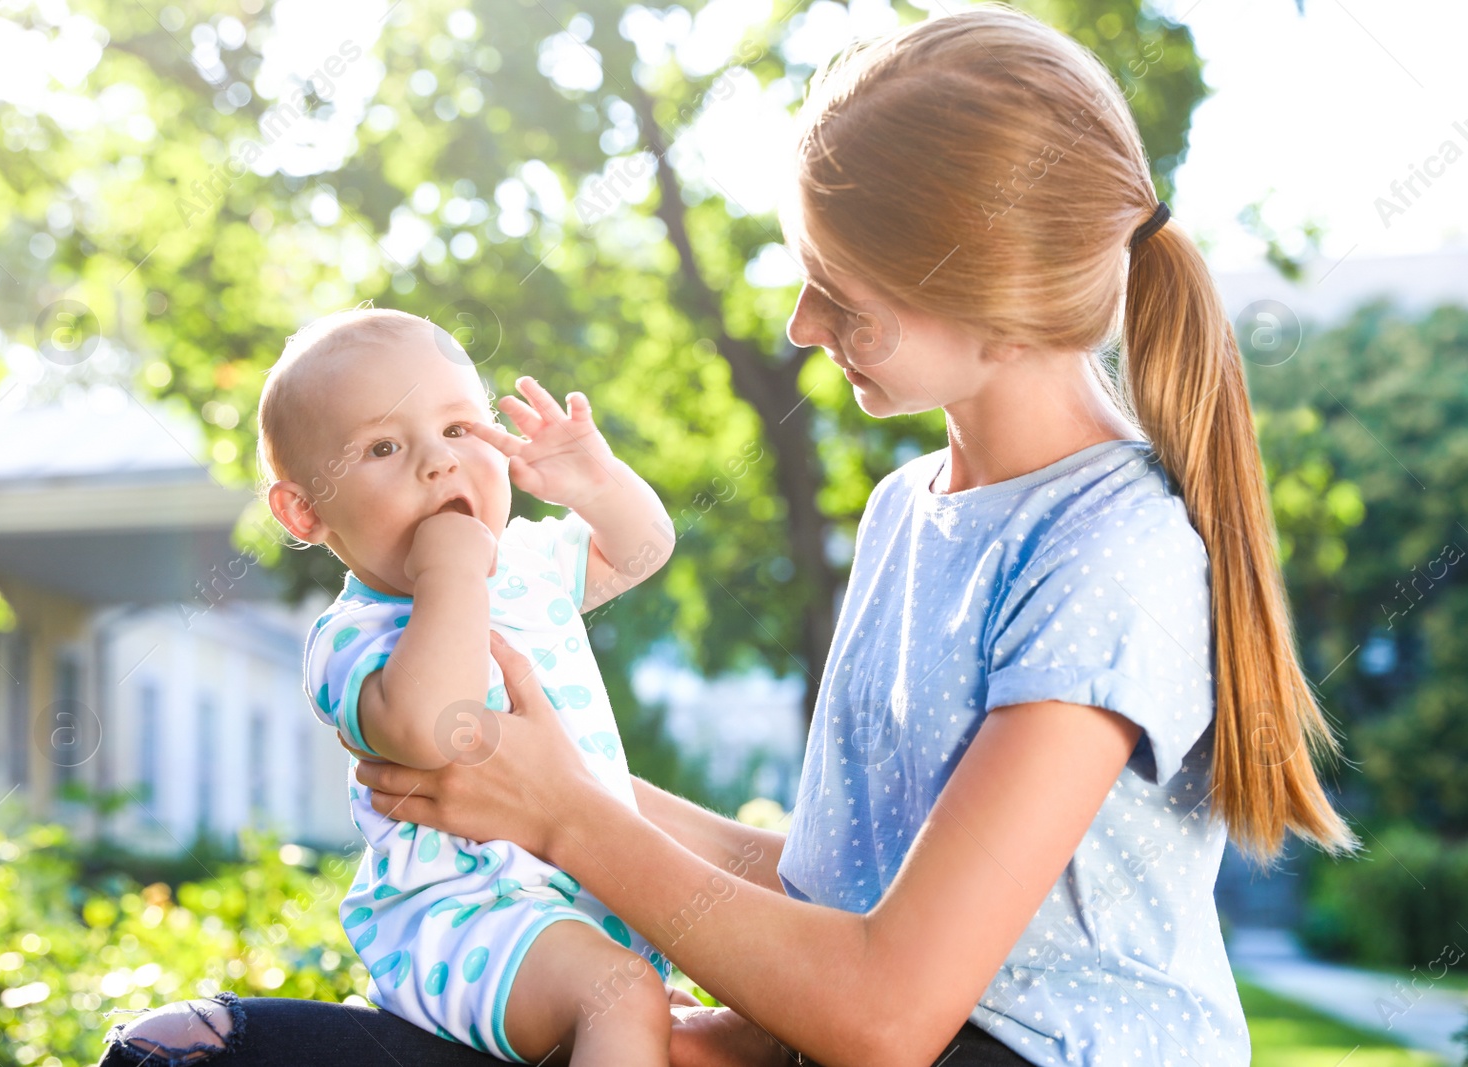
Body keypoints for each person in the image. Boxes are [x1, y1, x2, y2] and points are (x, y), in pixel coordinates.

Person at [99, 6, 1357, 1066]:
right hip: (855, 1038)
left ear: (992, 303)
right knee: (183, 1049)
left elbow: (887, 1006)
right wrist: (551, 783)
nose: (804, 324)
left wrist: (570, 822)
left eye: (841, 293)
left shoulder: (1112, 551)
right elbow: (835, 890)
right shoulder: (906, 511)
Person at [119, 306, 686, 1065]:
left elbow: (642, 548)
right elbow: (432, 727)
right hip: (466, 919)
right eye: (383, 446)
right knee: (621, 996)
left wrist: (596, 479)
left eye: (458, 429)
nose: (438, 462)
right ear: (306, 509)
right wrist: (450, 569)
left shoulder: (527, 564)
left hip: (582, 906)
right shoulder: (353, 635)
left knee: (668, 1012)